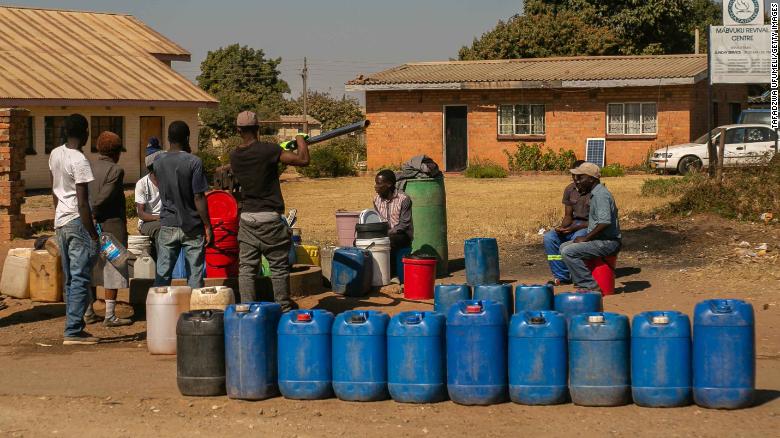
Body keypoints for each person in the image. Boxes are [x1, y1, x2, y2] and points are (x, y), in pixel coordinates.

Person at [229, 111, 309, 310]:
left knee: (247, 269)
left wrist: (277, 151)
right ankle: (283, 308)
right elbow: (303, 159)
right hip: (270, 219)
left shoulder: (235, 155)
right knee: (278, 267)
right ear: (259, 128)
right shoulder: (269, 150)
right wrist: (300, 139)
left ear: (238, 130)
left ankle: (247, 309)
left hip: (247, 219)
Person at [49, 114, 101, 345]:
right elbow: (82, 202)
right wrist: (92, 233)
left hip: (61, 220)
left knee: (70, 277)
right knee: (80, 277)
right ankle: (73, 330)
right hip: (77, 221)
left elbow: (54, 191)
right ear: (85, 133)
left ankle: (74, 325)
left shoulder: (55, 154)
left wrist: (58, 215)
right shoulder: (79, 160)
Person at [153, 121, 212, 289]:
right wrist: (207, 225)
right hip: (192, 226)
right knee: (194, 274)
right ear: (187, 138)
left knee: (163, 273)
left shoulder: (158, 161)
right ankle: (193, 312)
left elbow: (158, 182)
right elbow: (198, 197)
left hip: (167, 224)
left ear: (168, 138)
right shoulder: (194, 162)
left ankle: (159, 311)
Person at [83, 131, 132, 327]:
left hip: (89, 225)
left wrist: (88, 215)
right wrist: (94, 211)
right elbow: (105, 196)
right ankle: (110, 315)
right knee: (114, 267)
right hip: (112, 226)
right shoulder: (116, 170)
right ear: (117, 152)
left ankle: (88, 311)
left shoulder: (87, 167)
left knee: (90, 266)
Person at [560, 162, 622, 292]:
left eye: (580, 178)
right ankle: (581, 282)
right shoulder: (596, 193)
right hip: (601, 240)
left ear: (591, 179)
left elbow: (605, 222)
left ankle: (589, 285)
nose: (577, 181)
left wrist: (586, 238)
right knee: (563, 247)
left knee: (568, 251)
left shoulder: (601, 195)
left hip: (608, 242)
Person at [544, 159, 590, 286]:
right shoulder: (570, 189)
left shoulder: (595, 191)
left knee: (575, 239)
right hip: (574, 225)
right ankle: (562, 276)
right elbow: (568, 216)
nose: (575, 178)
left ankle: (578, 275)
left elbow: (597, 221)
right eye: (573, 175)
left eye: (579, 175)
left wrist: (573, 228)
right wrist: (562, 228)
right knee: (549, 237)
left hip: (587, 226)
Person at [373, 169, 413, 261]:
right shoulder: (376, 200)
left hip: (402, 235)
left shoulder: (404, 199)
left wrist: (387, 233)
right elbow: (378, 221)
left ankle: (388, 268)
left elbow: (404, 225)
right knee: (360, 242)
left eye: (379, 184)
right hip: (385, 234)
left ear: (389, 184)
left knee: (387, 241)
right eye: (376, 184)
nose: (376, 187)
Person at [135, 149, 162, 257]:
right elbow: (141, 214)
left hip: (165, 219)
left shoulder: (168, 181)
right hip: (147, 223)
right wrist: (159, 217)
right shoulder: (142, 184)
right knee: (161, 229)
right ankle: (163, 268)